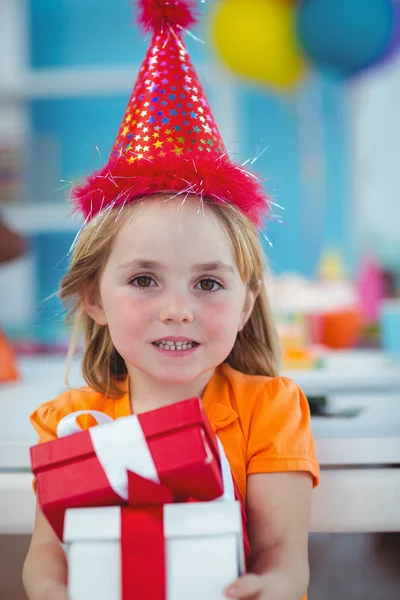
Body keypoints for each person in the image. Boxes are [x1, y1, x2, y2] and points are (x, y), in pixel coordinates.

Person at [22, 2, 320, 600]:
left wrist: (275, 586)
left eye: (208, 283)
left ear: (245, 304)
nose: (177, 309)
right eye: (143, 280)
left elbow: (284, 554)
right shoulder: (69, 422)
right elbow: (45, 560)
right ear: (93, 297)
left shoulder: (270, 410)